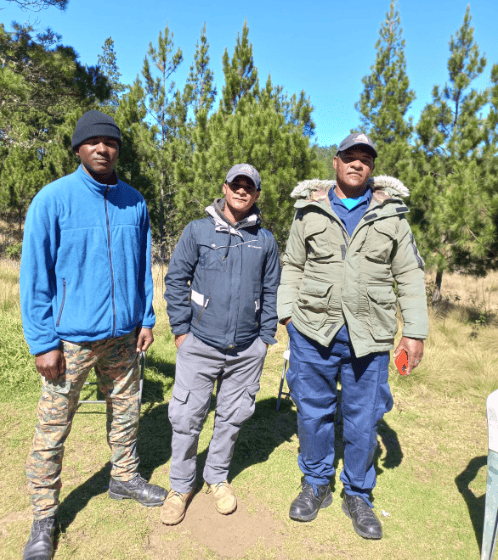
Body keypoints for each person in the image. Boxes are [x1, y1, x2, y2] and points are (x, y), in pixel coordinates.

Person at [20, 110, 167, 560]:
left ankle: (123, 478)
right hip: (70, 341)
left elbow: (143, 268)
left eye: (112, 142)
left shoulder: (134, 202)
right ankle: (45, 514)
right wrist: (42, 341)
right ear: (79, 148)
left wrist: (146, 318)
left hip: (124, 337)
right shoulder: (53, 199)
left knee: (127, 413)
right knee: (53, 427)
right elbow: (35, 276)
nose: (104, 148)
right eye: (94, 142)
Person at [277, 133, 429, 540]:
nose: (357, 164)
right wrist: (287, 314)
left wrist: (414, 331)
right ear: (335, 162)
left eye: (365, 158)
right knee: (312, 413)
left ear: (372, 168)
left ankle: (358, 494)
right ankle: (315, 484)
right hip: (313, 332)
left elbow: (410, 275)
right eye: (350, 157)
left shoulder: (392, 216)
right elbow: (292, 264)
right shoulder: (308, 210)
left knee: (364, 421)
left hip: (371, 336)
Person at [162, 163, 280, 525]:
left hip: (246, 351)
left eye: (250, 187)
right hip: (199, 344)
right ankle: (181, 486)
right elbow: (176, 279)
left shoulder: (266, 240)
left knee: (231, 417)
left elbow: (272, 290)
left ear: (257, 194)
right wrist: (182, 332)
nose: (242, 191)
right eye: (236, 184)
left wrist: (264, 339)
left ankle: (216, 478)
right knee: (186, 417)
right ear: (225, 188)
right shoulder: (197, 231)